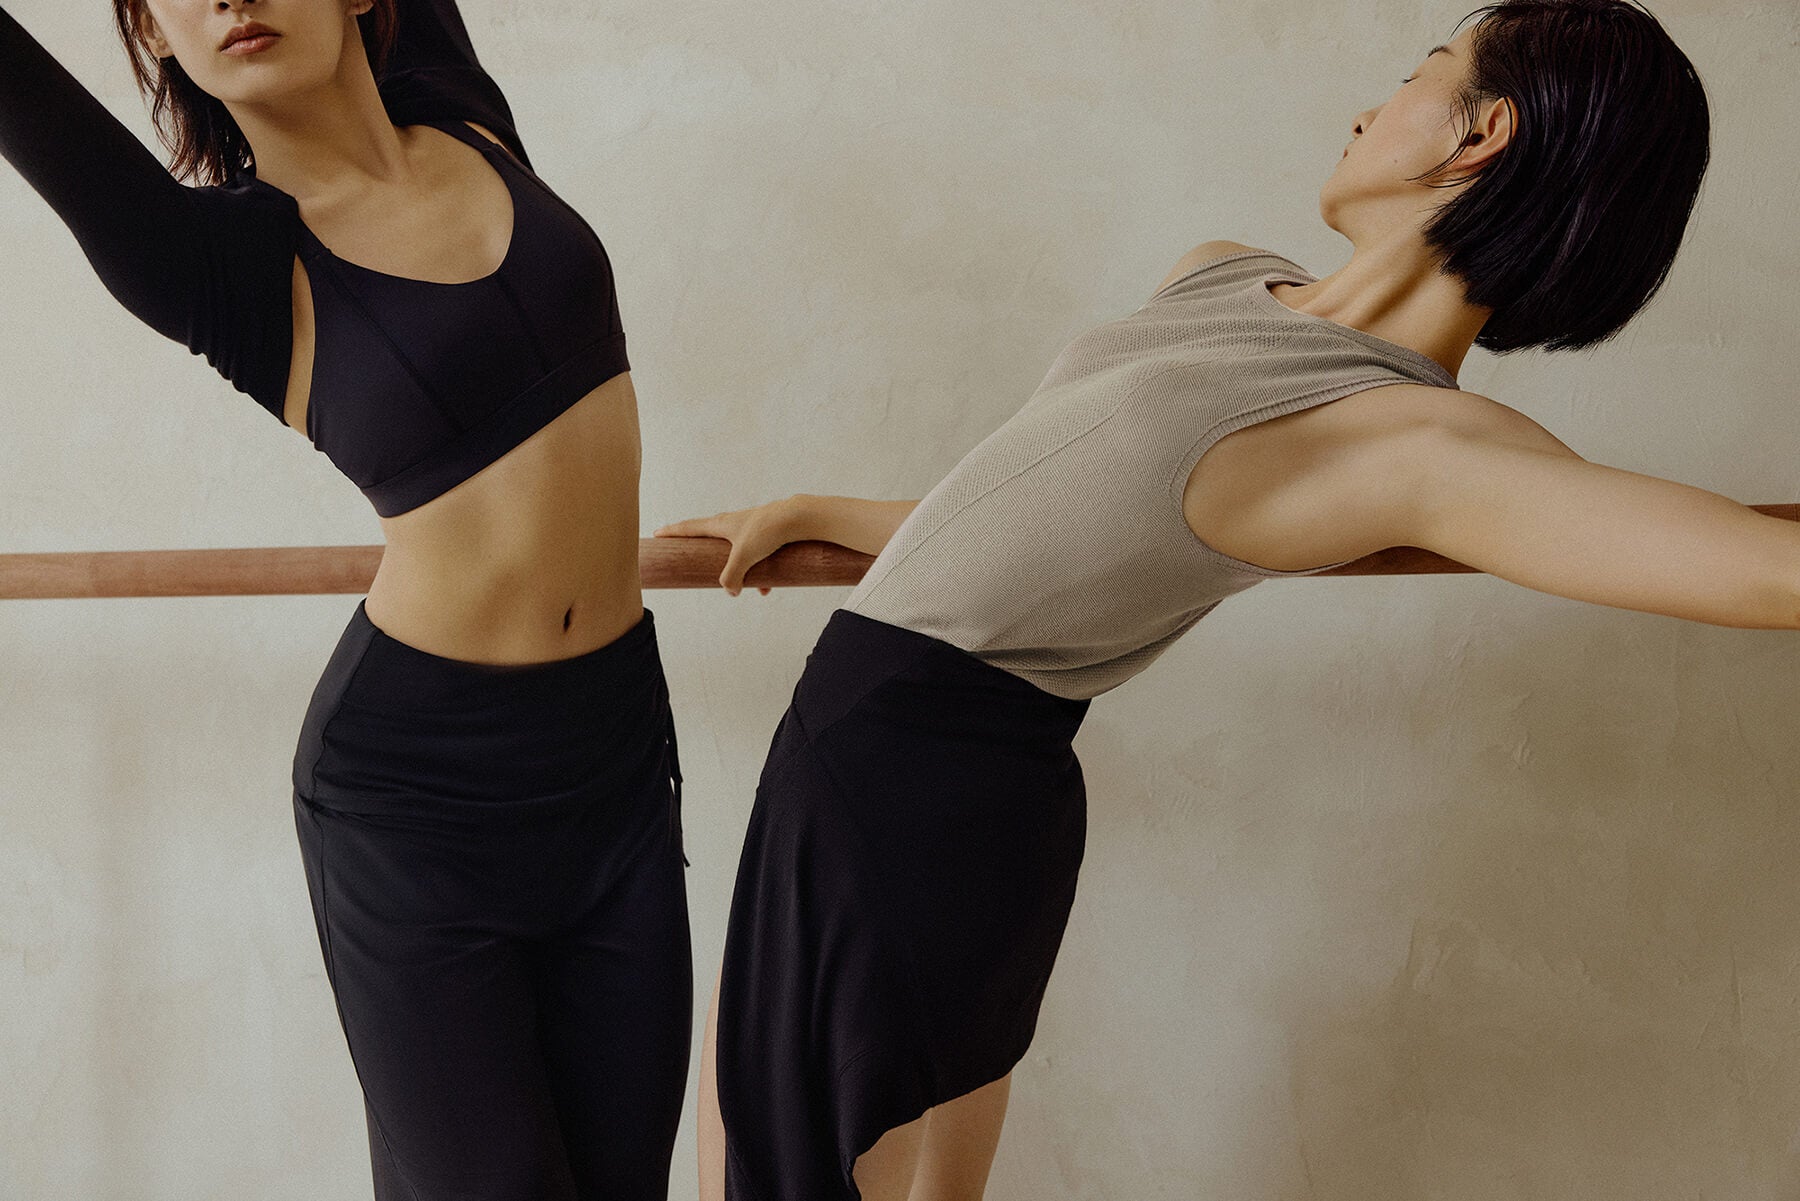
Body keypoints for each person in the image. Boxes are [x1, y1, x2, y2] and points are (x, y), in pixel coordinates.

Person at [655, 2, 1798, 1198]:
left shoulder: (1418, 445)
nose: (1367, 109)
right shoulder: (1221, 275)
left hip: (902, 792)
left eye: (1422, 73)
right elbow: (1050, 512)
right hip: (921, 781)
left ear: (1484, 133)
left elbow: (1766, 570)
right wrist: (822, 508)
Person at [0, 2, 690, 1196]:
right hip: (417, 805)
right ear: (155, 37)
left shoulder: (459, 108)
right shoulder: (217, 265)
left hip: (617, 758)